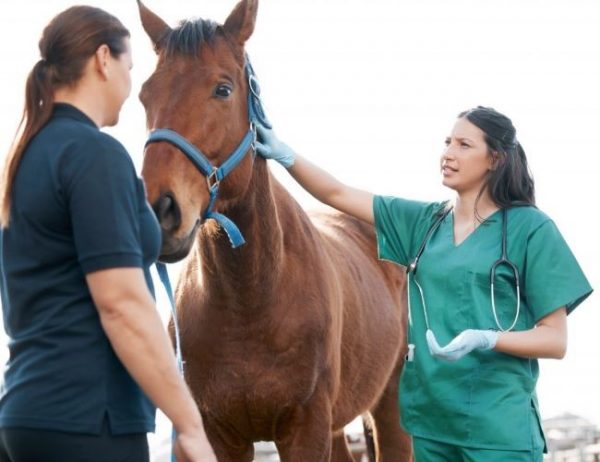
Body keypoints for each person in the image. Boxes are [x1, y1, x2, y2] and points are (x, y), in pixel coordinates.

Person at [256, 106, 592, 461]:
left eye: (464, 145)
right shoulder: (424, 223)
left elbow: (555, 340)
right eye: (448, 142)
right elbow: (337, 194)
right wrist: (285, 155)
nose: (448, 153)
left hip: (499, 431)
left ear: (495, 159)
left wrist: (488, 338)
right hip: (431, 427)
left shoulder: (532, 230)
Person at [0, 6, 216, 462]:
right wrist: (190, 424)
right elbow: (121, 304)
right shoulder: (95, 155)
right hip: (88, 420)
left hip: (27, 413)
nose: (130, 84)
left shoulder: (27, 159)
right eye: (130, 66)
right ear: (103, 59)